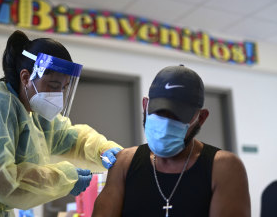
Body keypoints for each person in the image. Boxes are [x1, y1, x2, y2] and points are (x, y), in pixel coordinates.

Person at [0, 30, 123, 217]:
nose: (59, 95)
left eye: (64, 87)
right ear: (26, 77)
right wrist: (64, 179)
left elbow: (71, 138)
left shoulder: (33, 115)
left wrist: (103, 149)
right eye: (53, 86)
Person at [92, 65, 251, 217]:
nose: (166, 123)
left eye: (177, 116)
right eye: (160, 112)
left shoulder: (224, 168)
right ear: (145, 106)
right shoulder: (124, 163)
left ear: (200, 118)